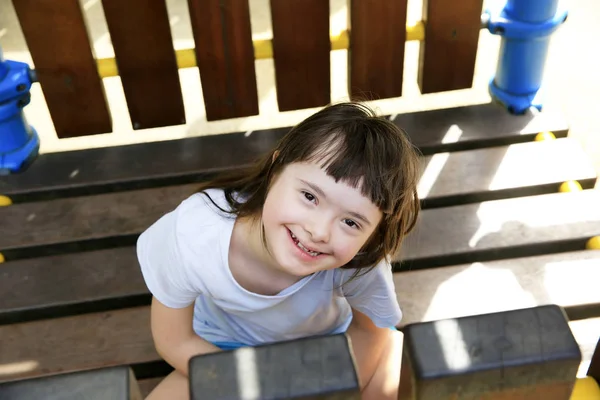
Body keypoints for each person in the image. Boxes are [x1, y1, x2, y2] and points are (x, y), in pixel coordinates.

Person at [137, 101, 421, 399]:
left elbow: (370, 332)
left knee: (393, 366)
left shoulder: (360, 260)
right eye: (310, 196)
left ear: (373, 233)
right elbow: (175, 341)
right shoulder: (194, 234)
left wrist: (328, 392)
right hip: (220, 351)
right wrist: (257, 388)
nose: (319, 231)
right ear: (275, 170)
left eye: (350, 221)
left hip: (325, 347)